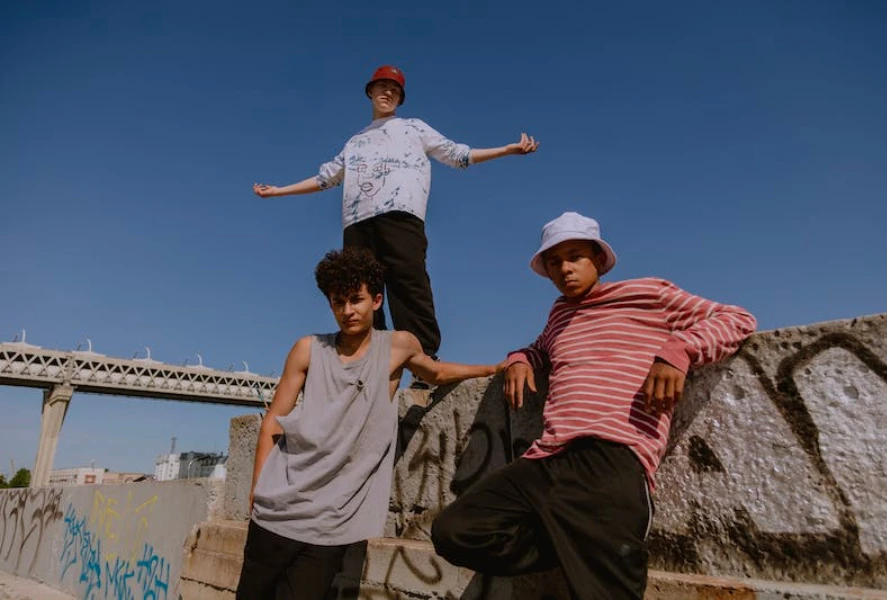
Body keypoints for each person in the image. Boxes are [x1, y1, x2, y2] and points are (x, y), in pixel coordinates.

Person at [431, 211, 757, 599]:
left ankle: (583, 551)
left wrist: (679, 350)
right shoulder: (559, 315)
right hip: (545, 460)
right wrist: (519, 359)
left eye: (575, 257)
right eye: (555, 262)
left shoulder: (648, 294)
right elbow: (538, 349)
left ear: (598, 260)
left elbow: (737, 318)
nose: (565, 269)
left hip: (613, 458)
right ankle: (567, 545)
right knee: (454, 531)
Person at [236, 247, 501, 600]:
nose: (347, 311)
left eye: (356, 300)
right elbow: (273, 421)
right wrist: (257, 489)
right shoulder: (308, 349)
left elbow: (436, 373)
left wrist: (492, 369)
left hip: (333, 518)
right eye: (338, 302)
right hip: (279, 508)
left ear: (376, 301)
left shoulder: (397, 346)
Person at [253, 65, 539, 384]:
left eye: (395, 90)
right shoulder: (355, 142)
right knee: (361, 291)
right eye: (381, 87)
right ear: (370, 93)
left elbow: (457, 154)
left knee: (408, 283)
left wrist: (508, 150)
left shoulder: (413, 128)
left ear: (400, 98)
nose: (387, 93)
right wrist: (279, 191)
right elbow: (325, 178)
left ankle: (423, 360)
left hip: (402, 217)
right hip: (357, 222)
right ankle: (369, 362)